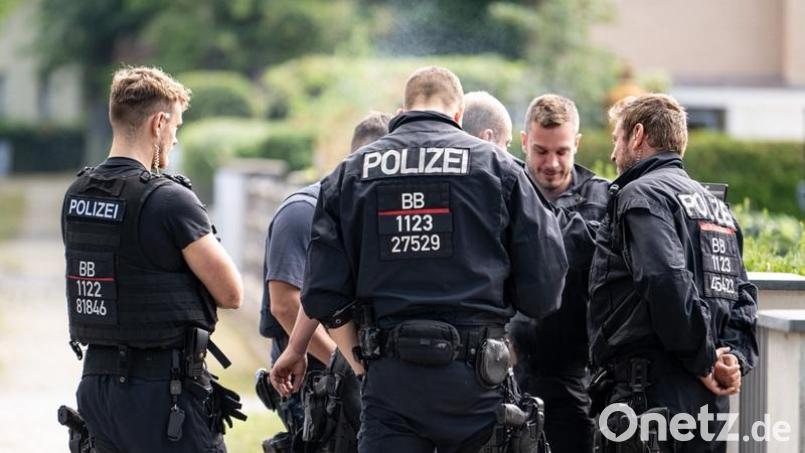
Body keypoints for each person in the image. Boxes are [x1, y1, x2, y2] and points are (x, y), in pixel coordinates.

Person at [293, 66, 568, 453]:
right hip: (477, 382)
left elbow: (321, 294)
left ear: (402, 110)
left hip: (389, 383)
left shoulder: (349, 175)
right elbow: (545, 288)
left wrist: (364, 365)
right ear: (458, 116)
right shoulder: (497, 167)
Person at [60, 66, 245, 453]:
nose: (175, 138)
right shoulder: (169, 200)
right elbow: (231, 293)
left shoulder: (77, 195)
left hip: (97, 386)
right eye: (176, 125)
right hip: (163, 392)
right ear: (158, 123)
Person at [588, 93, 758, 452]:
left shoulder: (640, 196)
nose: (613, 153)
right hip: (707, 407)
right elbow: (742, 295)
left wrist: (706, 361)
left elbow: (665, 279)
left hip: (649, 401)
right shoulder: (717, 208)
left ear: (637, 135)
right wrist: (733, 360)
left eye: (616, 139)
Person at [260, 112, 390, 449]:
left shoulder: (365, 214)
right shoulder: (302, 212)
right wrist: (349, 368)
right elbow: (286, 304)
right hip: (316, 384)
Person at [507, 94, 609, 453]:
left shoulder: (602, 199)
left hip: (573, 376)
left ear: (577, 144)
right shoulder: (502, 189)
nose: (551, 163)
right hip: (505, 374)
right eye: (540, 151)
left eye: (562, 151)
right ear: (524, 142)